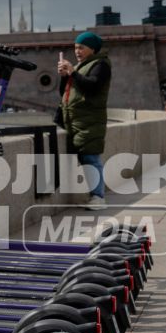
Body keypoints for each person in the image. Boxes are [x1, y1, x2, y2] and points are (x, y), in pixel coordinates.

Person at [58, 30, 112, 205]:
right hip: (77, 121)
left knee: (91, 158)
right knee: (85, 158)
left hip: (90, 120)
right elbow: (64, 93)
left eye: (81, 48)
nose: (77, 51)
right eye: (75, 48)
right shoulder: (82, 66)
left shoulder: (101, 65)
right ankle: (94, 196)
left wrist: (73, 73)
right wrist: (64, 77)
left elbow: (93, 86)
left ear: (92, 49)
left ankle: (98, 197)